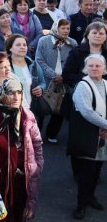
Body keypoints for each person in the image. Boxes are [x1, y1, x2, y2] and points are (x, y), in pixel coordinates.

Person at [0, 78, 44, 222]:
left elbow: (37, 144)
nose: (16, 97)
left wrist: (38, 166)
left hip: (21, 178)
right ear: (2, 94)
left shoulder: (27, 116)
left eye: (19, 92)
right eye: (11, 93)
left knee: (18, 212)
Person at [67, 54, 107, 219]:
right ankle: (81, 205)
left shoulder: (106, 84)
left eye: (98, 66)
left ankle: (90, 198)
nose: (95, 68)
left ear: (104, 69)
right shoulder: (82, 86)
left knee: (97, 171)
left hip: (102, 135)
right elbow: (87, 112)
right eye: (91, 66)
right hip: (86, 136)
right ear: (85, 68)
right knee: (86, 173)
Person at [35, 19, 76, 143]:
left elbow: (75, 63)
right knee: (41, 107)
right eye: (63, 28)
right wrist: (53, 75)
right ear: (56, 28)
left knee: (60, 107)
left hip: (64, 81)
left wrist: (64, 77)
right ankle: (36, 134)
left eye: (68, 28)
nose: (66, 31)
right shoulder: (44, 41)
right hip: (46, 79)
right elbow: (39, 60)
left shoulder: (72, 43)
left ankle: (52, 134)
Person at [6, 34, 46, 111]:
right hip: (10, 109)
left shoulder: (33, 64)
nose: (22, 47)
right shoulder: (4, 66)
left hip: (31, 109)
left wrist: (41, 88)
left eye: (24, 45)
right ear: (10, 48)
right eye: (18, 45)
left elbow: (42, 82)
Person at [63, 21, 107, 88]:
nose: (97, 36)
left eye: (101, 33)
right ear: (87, 35)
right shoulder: (77, 51)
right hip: (81, 88)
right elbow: (67, 75)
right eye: (94, 33)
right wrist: (87, 80)